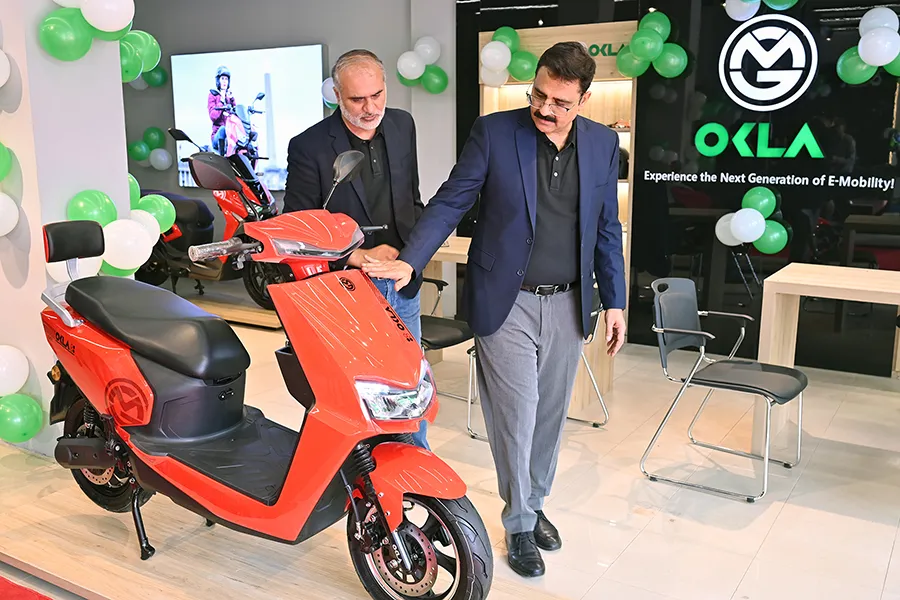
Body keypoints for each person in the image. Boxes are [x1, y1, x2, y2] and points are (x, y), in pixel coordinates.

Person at [363, 41, 627, 578]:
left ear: (584, 99)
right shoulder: (495, 132)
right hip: (507, 301)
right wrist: (413, 261)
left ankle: (533, 502)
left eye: (560, 102)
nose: (545, 109)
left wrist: (616, 299)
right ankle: (520, 523)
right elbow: (451, 200)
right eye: (539, 94)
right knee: (517, 417)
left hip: (571, 302)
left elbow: (606, 228)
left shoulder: (603, 144)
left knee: (550, 419)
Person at [283, 49, 429, 449]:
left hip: (401, 285)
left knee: (409, 391)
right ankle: (361, 484)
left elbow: (411, 200)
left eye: (378, 95)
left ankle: (416, 477)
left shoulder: (402, 125)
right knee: (357, 398)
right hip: (346, 291)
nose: (371, 108)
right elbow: (301, 227)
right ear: (335, 94)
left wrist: (414, 258)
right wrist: (355, 256)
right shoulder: (309, 145)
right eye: (357, 99)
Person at [208, 65, 235, 155]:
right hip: (217, 136)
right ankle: (223, 158)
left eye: (226, 79)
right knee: (223, 129)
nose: (224, 81)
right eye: (222, 79)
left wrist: (231, 100)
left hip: (230, 136)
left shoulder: (229, 97)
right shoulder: (213, 95)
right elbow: (213, 116)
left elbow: (236, 114)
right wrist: (221, 102)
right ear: (218, 81)